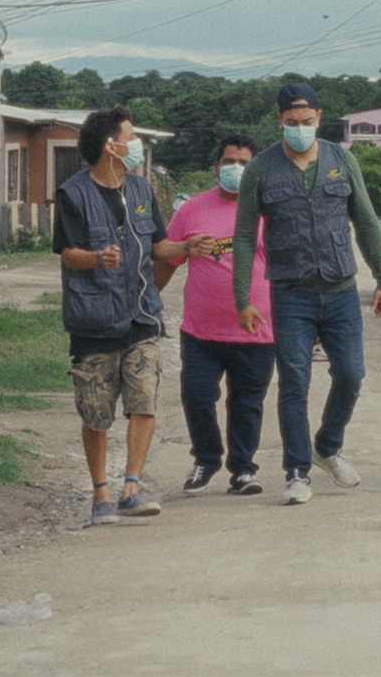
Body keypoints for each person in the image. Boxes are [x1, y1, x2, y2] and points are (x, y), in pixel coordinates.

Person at [233, 82, 381, 506]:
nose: (299, 129)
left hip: (341, 290)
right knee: (294, 383)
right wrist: (242, 299)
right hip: (291, 293)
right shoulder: (261, 169)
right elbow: (246, 236)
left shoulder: (343, 160)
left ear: (319, 118)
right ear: (280, 121)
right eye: (291, 123)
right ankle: (297, 470)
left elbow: (366, 221)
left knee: (351, 374)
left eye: (306, 122)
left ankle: (328, 444)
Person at [54, 107, 194, 526]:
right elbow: (67, 253)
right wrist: (97, 257)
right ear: (109, 145)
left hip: (143, 316)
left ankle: (131, 487)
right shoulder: (72, 194)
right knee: (95, 412)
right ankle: (101, 492)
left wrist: (189, 246)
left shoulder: (141, 190)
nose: (135, 145)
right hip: (94, 319)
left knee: (143, 401)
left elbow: (159, 247)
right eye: (130, 137)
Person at [159, 134, 274, 498]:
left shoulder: (269, 211)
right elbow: (167, 260)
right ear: (215, 167)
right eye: (228, 162)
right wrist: (143, 300)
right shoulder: (191, 210)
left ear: (256, 169)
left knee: (247, 402)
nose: (234, 169)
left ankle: (243, 469)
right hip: (201, 331)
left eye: (243, 163)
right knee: (196, 394)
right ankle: (205, 459)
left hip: (257, 330)